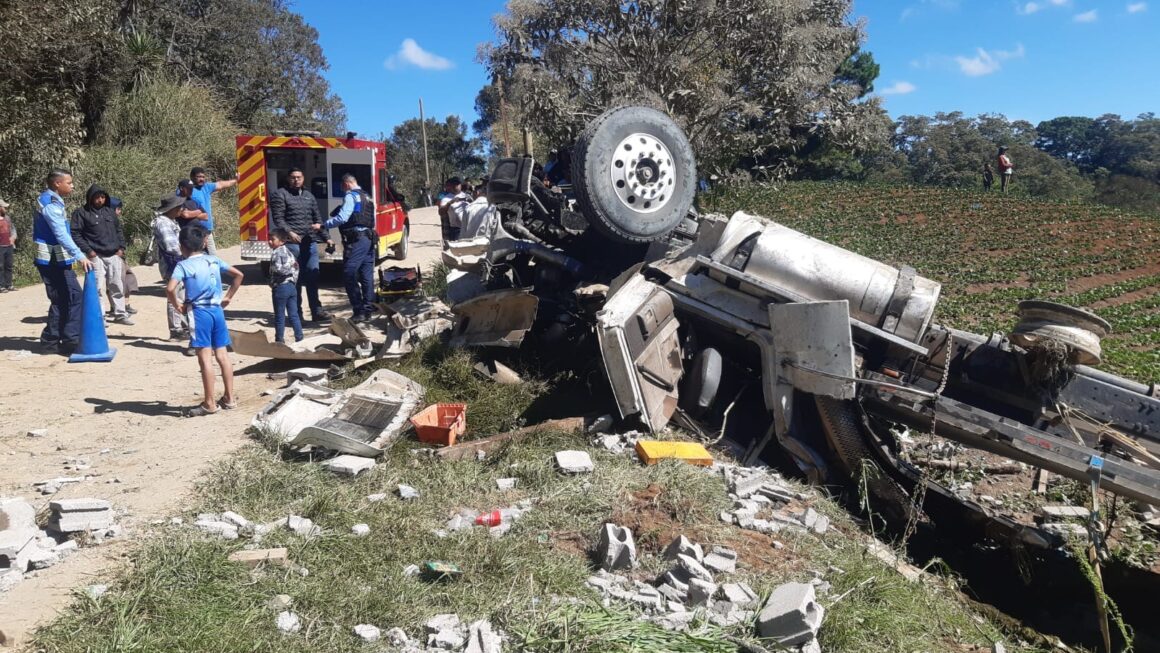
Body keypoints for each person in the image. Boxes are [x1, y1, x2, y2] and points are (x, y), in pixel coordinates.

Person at [167, 225, 243, 416]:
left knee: (204, 358)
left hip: (199, 313)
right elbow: (238, 275)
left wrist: (177, 305)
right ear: (203, 243)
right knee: (223, 355)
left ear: (182, 245)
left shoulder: (183, 266)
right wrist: (228, 297)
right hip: (217, 310)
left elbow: (170, 289)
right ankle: (230, 398)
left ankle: (209, 403)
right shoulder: (213, 260)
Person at [33, 169, 93, 355]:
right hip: (51, 260)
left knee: (63, 299)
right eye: (69, 182)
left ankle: (51, 341)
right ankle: (69, 340)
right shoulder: (50, 205)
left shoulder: (51, 200)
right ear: (57, 184)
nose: (72, 185)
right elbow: (60, 234)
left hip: (56, 259)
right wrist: (80, 255)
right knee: (73, 296)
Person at [269, 167, 329, 322]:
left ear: (303, 178)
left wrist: (327, 237)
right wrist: (290, 233)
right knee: (294, 279)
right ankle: (297, 315)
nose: (296, 180)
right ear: (288, 178)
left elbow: (317, 219)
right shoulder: (280, 194)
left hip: (310, 243)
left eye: (299, 177)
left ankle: (317, 311)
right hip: (291, 244)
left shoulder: (309, 196)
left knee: (313, 277)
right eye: (293, 177)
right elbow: (278, 218)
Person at [313, 173, 375, 324]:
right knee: (366, 276)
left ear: (346, 184)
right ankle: (368, 309)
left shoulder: (350, 196)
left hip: (357, 240)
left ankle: (359, 311)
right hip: (370, 239)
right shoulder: (367, 196)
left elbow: (342, 218)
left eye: (342, 187)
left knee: (349, 273)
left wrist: (322, 226)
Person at [70, 184, 133, 325]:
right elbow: (75, 233)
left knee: (117, 285)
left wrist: (121, 248)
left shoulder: (110, 212)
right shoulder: (81, 213)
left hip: (113, 254)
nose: (100, 200)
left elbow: (119, 231)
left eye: (103, 197)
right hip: (95, 256)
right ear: (90, 198)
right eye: (97, 197)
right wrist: (88, 251)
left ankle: (120, 313)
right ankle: (100, 317)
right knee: (97, 287)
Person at [152, 195, 189, 343]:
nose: (182, 209)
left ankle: (182, 326)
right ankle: (176, 330)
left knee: (181, 295)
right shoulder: (163, 224)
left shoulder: (170, 221)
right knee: (175, 297)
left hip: (177, 262)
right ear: (173, 209)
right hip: (172, 264)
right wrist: (187, 252)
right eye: (180, 207)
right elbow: (171, 246)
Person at [187, 166, 238, 255]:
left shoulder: (206, 187)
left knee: (213, 257)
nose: (201, 179)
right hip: (194, 231)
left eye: (203, 177)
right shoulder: (187, 190)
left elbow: (221, 184)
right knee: (195, 256)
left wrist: (236, 180)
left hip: (207, 231)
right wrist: (198, 215)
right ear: (192, 177)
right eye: (199, 177)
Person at [267, 228, 304, 343]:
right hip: (291, 287)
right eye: (269, 239)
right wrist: (293, 281)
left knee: (279, 315)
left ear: (282, 241)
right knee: (294, 314)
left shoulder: (277, 253)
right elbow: (296, 268)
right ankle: (299, 337)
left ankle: (279, 340)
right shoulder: (289, 253)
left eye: (272, 239)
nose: (269, 242)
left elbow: (279, 270)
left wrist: (273, 282)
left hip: (280, 288)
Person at [437, 176, 462, 243]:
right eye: (453, 185)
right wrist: (449, 203)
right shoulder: (443, 195)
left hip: (465, 228)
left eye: (457, 184)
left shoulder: (466, 196)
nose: (455, 186)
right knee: (447, 238)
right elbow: (440, 207)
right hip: (450, 223)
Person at [0, 199, 16, 292]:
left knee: (9, 265)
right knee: (0, 266)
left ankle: (9, 285)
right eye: (4, 207)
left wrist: (13, 237)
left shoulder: (7, 218)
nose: (6, 209)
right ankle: (1, 286)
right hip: (0, 247)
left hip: (9, 246)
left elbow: (13, 229)